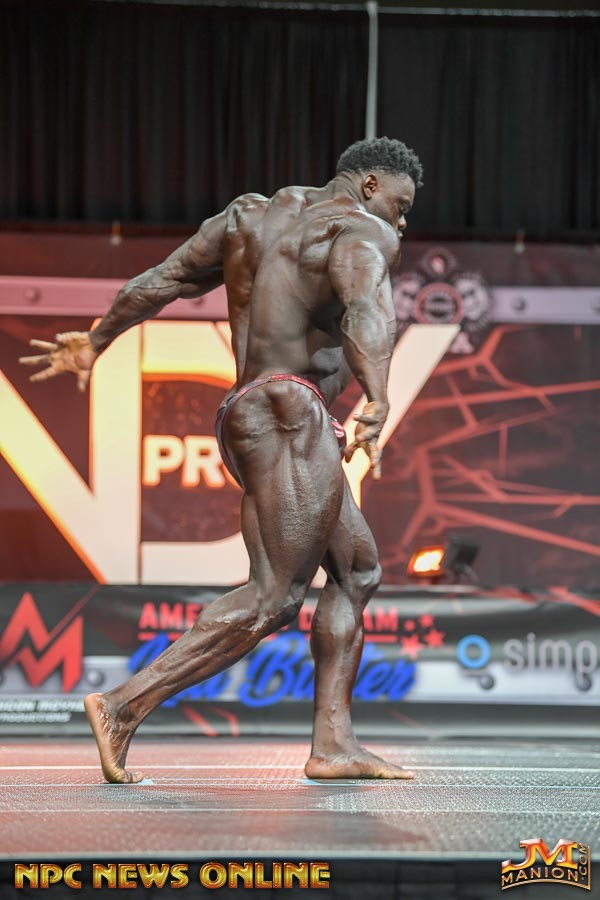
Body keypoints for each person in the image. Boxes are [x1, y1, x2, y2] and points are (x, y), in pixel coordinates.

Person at [20, 137, 423, 784]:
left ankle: (333, 745)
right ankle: (123, 705)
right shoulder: (360, 226)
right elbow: (365, 306)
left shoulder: (249, 216)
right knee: (274, 596)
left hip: (251, 408)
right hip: (291, 410)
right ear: (371, 185)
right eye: (401, 207)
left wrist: (97, 340)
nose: (401, 224)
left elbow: (164, 280)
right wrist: (377, 394)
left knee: (358, 571)